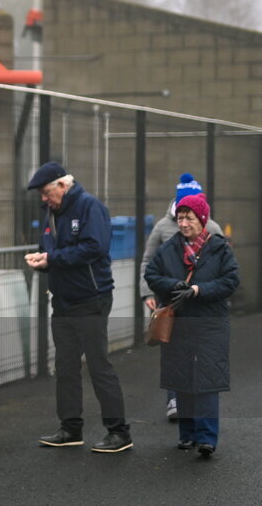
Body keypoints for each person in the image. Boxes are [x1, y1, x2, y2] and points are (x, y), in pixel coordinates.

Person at [24, 161, 133, 453]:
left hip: (91, 298)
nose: (44, 199)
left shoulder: (89, 207)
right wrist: (42, 261)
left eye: (47, 192)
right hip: (62, 300)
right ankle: (71, 428)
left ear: (63, 185)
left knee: (99, 366)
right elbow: (52, 251)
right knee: (66, 366)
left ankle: (119, 432)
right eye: (42, 195)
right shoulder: (51, 213)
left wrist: (52, 260)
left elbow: (94, 247)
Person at [145, 194, 238, 458]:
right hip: (180, 323)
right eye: (180, 218)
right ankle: (187, 434)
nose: (183, 223)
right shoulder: (169, 248)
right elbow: (151, 274)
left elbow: (231, 281)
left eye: (189, 218)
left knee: (208, 379)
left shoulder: (219, 248)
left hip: (210, 323)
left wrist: (198, 290)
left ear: (202, 219)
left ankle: (207, 437)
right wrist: (173, 286)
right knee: (182, 377)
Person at [139, 173, 223, 421]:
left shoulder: (213, 228)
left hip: (201, 303)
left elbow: (223, 266)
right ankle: (174, 399)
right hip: (172, 302)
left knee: (202, 355)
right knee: (173, 353)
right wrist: (147, 293)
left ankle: (200, 402)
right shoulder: (163, 227)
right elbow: (148, 261)